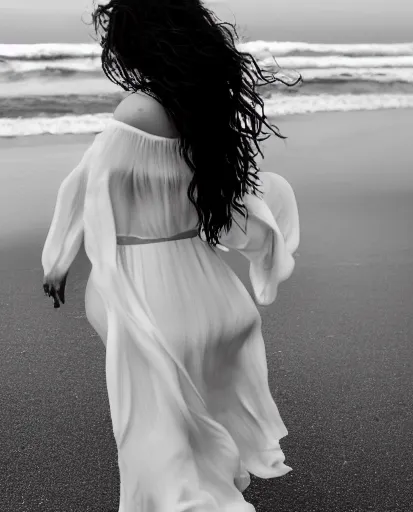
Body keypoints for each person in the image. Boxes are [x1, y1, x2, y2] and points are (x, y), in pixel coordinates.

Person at [42, 1, 301, 510]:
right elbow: (238, 200)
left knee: (153, 430)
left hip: (149, 288)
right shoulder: (201, 109)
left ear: (134, 42)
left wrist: (56, 262)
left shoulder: (136, 110)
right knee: (184, 408)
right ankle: (210, 480)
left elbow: (89, 190)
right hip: (209, 289)